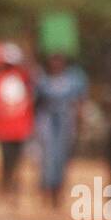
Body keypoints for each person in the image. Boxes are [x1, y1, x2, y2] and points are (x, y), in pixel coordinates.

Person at [34, 53, 88, 210]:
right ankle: (46, 193)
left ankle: (59, 193)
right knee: (46, 159)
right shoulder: (43, 81)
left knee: (62, 159)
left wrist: (79, 123)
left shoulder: (73, 80)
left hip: (65, 124)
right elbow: (36, 104)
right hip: (47, 123)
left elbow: (79, 103)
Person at [0, 44, 34, 197]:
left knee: (17, 159)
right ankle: (5, 186)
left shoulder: (24, 78)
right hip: (4, 128)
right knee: (6, 158)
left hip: (19, 128)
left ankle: (11, 186)